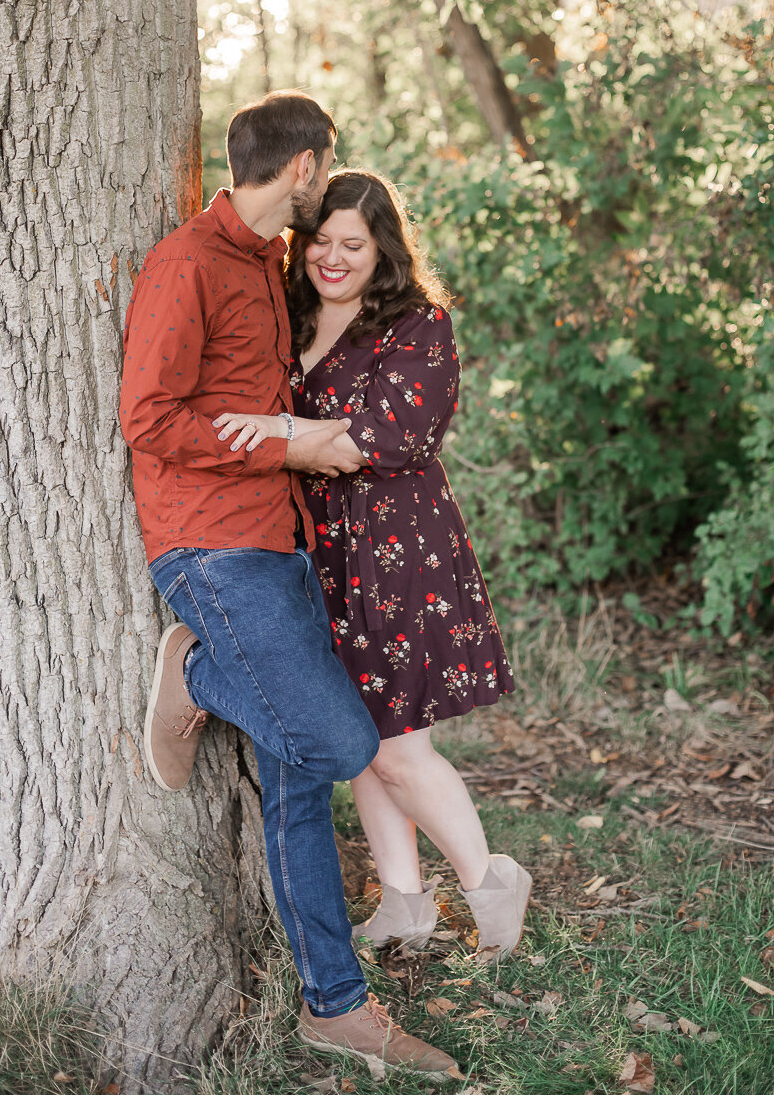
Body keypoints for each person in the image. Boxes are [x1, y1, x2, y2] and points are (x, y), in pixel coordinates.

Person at [119, 96, 462, 1079]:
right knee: (341, 738)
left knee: (300, 777)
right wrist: (288, 442)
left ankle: (335, 1005)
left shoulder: (268, 264)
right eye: (330, 170)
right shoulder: (188, 262)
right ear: (307, 167)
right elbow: (148, 416)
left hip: (282, 541)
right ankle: (197, 677)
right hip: (214, 549)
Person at [214, 169, 531, 961]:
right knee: (358, 736)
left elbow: (386, 440)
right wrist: (315, 443)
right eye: (319, 240)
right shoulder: (289, 315)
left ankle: (489, 881)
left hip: (398, 554)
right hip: (316, 550)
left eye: (352, 244)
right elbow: (335, 442)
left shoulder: (417, 325)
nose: (332, 257)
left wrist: (280, 432)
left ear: (381, 248)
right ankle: (403, 904)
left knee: (398, 747)